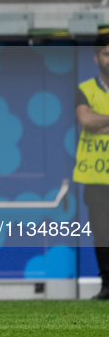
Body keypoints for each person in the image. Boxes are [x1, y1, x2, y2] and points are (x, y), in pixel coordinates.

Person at [73, 33, 109, 300]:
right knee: (102, 234)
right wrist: (97, 121)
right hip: (96, 177)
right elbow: (86, 119)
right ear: (96, 57)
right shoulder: (86, 88)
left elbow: (96, 121)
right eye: (106, 53)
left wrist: (103, 121)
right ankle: (107, 284)